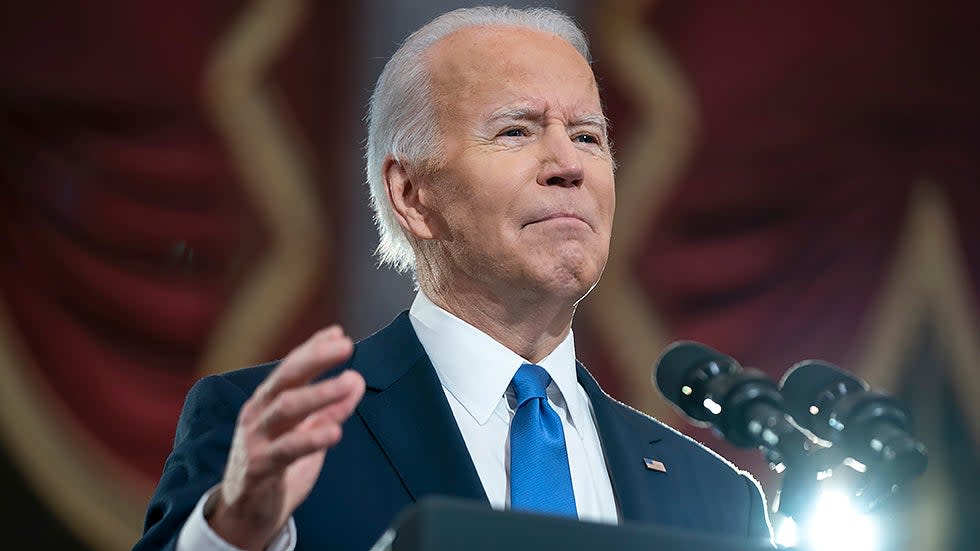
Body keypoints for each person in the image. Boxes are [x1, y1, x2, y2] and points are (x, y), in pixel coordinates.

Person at [134, 7, 772, 551]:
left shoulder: (717, 501)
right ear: (412, 194)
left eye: (588, 136)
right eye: (516, 131)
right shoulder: (275, 445)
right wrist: (236, 531)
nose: (568, 166)